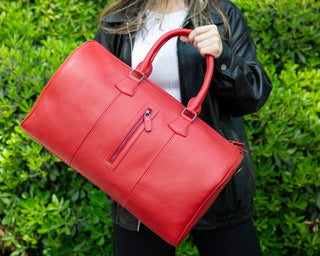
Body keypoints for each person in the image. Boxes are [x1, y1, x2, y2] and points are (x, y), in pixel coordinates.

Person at [94, 0, 273, 255]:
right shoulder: (119, 20)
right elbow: (100, 98)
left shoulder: (221, 14)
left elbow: (253, 96)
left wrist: (223, 56)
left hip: (210, 178)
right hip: (139, 181)